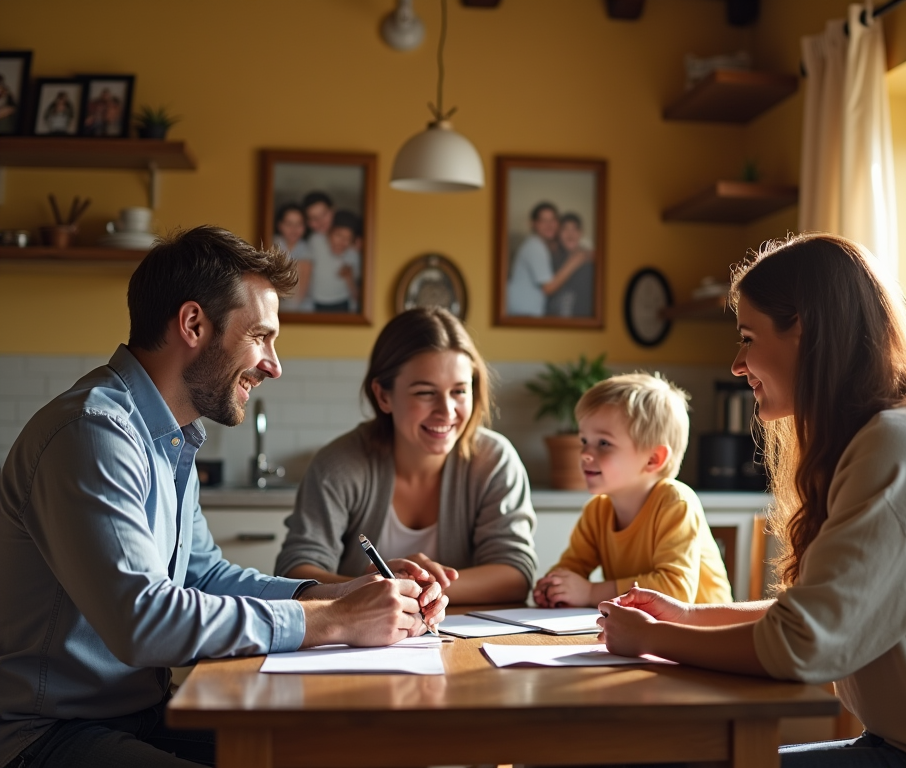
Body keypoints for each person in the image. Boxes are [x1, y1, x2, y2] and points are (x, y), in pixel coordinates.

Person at [0, 227, 446, 768]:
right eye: (261, 336)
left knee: (338, 752)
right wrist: (332, 622)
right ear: (193, 324)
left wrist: (348, 592)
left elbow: (204, 576)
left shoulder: (165, 435)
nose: (273, 364)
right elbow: (143, 621)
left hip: (142, 714)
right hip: (48, 736)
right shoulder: (93, 432)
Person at [597, 233, 906, 768]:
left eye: (748, 337)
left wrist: (655, 638)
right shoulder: (891, 436)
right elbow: (818, 614)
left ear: (803, 329)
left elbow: (801, 644)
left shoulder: (901, 446)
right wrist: (690, 617)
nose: (736, 364)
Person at [276, 307, 538, 604]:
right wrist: (376, 588)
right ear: (384, 396)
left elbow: (515, 575)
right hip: (359, 641)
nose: (447, 411)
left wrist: (417, 589)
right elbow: (294, 571)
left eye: (460, 391)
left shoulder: (495, 461)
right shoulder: (339, 465)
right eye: (425, 393)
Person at [533, 373, 731, 608]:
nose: (585, 453)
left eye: (603, 443)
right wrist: (554, 585)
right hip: (645, 631)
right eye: (584, 440)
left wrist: (590, 593)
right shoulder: (597, 510)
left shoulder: (675, 502)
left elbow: (674, 591)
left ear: (653, 459)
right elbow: (573, 565)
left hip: (702, 637)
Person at [506, 202, 592, 316]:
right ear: (533, 224)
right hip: (522, 313)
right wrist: (575, 261)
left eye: (552, 220)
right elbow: (549, 288)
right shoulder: (535, 246)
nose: (549, 225)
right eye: (543, 221)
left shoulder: (548, 248)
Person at [302, 191, 355, 313]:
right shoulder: (312, 241)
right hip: (317, 301)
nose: (321, 221)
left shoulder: (352, 235)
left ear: (333, 211)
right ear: (308, 222)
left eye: (324, 214)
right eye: (314, 218)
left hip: (343, 299)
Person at [546, 212, 594, 318]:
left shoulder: (591, 259)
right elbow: (548, 288)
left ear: (581, 232)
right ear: (559, 233)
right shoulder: (551, 258)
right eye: (565, 229)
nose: (570, 234)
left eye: (574, 229)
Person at [272, 202, 313, 311]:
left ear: (304, 226)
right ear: (280, 225)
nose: (294, 229)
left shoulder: (306, 249)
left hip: (300, 306)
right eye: (289, 224)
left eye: (298, 224)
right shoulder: (272, 244)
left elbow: (303, 283)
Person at [324, 209, 363, 313]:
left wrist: (349, 277)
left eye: (348, 238)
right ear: (329, 232)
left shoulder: (355, 256)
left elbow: (359, 297)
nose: (342, 242)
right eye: (338, 235)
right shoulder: (316, 242)